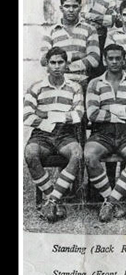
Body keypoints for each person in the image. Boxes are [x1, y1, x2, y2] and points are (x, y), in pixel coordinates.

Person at [84, 44, 126, 223]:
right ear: (104, 60)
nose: (115, 62)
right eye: (111, 58)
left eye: (118, 58)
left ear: (124, 59)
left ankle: (110, 202)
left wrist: (110, 109)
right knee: (89, 155)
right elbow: (93, 114)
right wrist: (123, 110)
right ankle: (111, 200)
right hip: (102, 133)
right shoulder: (95, 83)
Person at [24, 47, 84, 222]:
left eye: (60, 62)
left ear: (66, 65)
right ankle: (54, 197)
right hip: (41, 133)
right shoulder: (36, 87)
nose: (57, 66)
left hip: (65, 134)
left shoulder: (75, 87)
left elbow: (77, 115)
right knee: (30, 153)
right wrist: (60, 116)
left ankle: (51, 201)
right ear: (47, 65)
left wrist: (46, 114)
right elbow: (27, 115)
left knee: (77, 153)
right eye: (53, 63)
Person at [40, 0, 101, 90]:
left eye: (75, 6)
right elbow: (43, 59)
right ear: (61, 8)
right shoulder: (51, 31)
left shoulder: (90, 29)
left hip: (82, 81)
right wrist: (75, 55)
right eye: (67, 6)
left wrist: (67, 66)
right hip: (57, 83)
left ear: (80, 8)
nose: (71, 10)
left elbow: (94, 59)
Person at [81, 0, 117, 77]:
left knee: (98, 73)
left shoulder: (109, 2)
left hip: (101, 40)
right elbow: (78, 19)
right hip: (83, 40)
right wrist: (100, 17)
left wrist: (87, 15)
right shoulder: (81, 0)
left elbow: (109, 21)